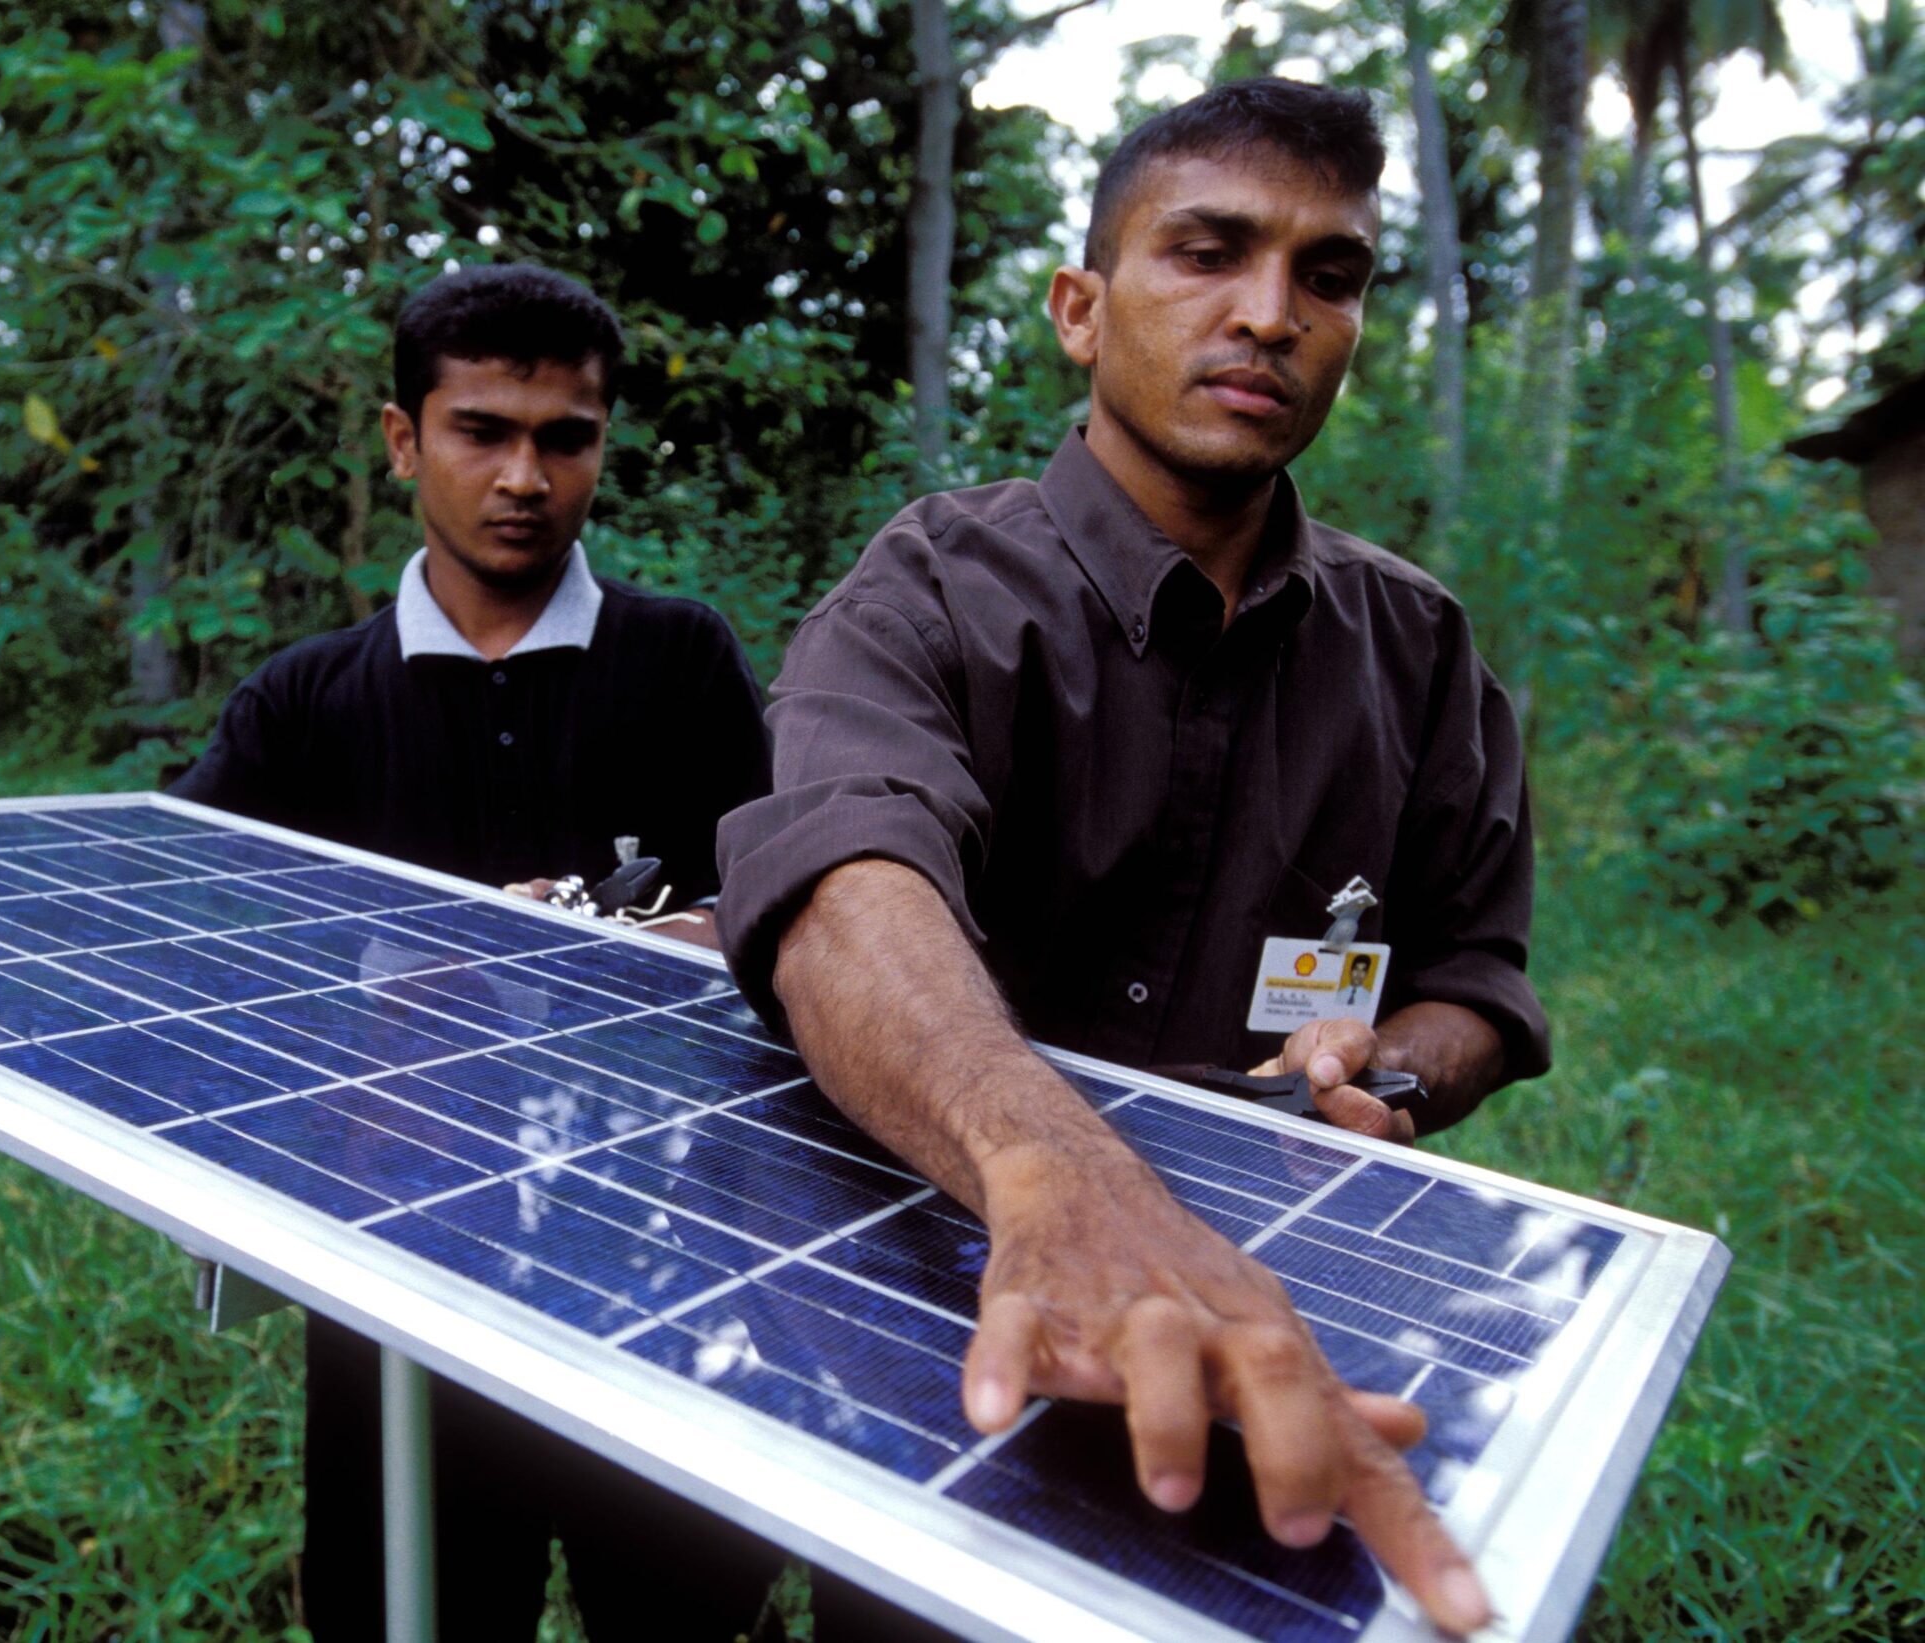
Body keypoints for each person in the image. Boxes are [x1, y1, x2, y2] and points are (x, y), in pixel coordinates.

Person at [714, 80, 1544, 1638]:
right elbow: (844, 887)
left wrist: (1401, 1073)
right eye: (1208, 252)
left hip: (1281, 1335)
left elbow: (1477, 981)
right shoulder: (925, 597)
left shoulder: (1420, 651)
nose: (1272, 314)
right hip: (949, 1312)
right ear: (1081, 310)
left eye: (1330, 275)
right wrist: (1054, 1177)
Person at [168, 263, 781, 1642]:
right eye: (481, 431)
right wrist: (386, 983)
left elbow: (790, 908)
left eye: (564, 438)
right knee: (415, 1608)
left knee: (680, 1612)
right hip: (395, 1276)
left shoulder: (681, 664)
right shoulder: (305, 703)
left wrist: (670, 936)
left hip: (657, 1261)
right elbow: (178, 944)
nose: (526, 476)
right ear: (403, 440)